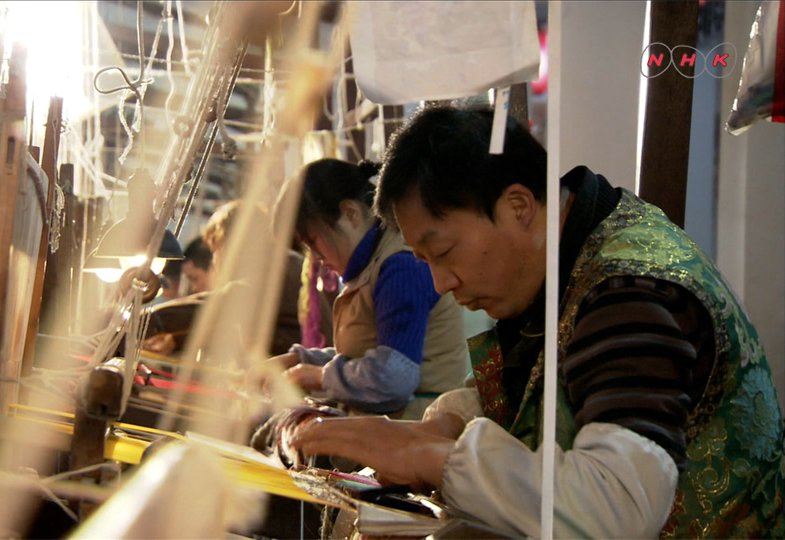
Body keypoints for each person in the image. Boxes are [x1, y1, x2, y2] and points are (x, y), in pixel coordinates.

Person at [288, 107, 784, 538]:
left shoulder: (626, 294)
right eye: (424, 261)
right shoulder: (563, 253)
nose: (439, 283)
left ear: (519, 206)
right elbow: (544, 378)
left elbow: (618, 507)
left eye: (441, 252)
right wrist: (445, 423)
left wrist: (433, 458)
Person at [267, 158, 469, 420]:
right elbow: (361, 356)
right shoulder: (371, 267)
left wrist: (318, 376)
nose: (314, 257)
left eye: (315, 241)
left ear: (350, 213)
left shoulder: (400, 267)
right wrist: (299, 361)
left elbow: (394, 379)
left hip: (416, 431)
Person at [202, 200, 334, 357]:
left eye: (215, 248)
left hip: (303, 373)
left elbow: (209, 308)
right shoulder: (288, 262)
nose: (215, 259)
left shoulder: (272, 269)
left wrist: (164, 322)